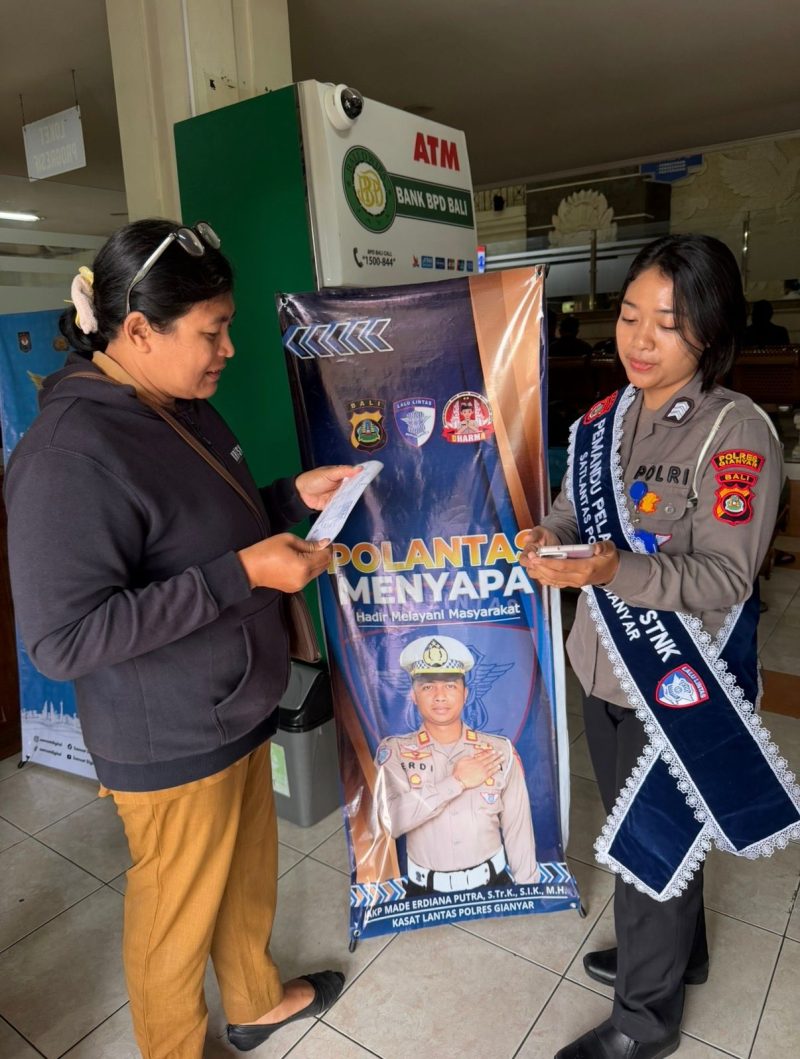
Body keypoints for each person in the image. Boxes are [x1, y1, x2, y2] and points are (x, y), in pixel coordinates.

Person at [3, 219, 357, 1058]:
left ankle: (255, 999)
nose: (228, 349)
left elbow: (197, 530)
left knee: (245, 872)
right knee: (175, 916)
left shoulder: (173, 405)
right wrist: (245, 575)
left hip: (235, 700)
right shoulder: (68, 454)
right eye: (212, 330)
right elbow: (63, 637)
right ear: (137, 331)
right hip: (167, 734)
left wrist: (286, 498)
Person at [521, 234, 794, 1059]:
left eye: (667, 324)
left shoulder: (736, 433)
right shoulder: (603, 420)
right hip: (600, 667)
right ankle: (683, 954)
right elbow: (569, 512)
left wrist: (616, 569)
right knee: (654, 826)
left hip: (678, 682)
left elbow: (727, 575)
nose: (639, 340)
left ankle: (644, 1022)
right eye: (630, 316)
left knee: (650, 843)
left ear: (710, 329)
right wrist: (548, 536)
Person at [373, 634, 539, 896]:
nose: (440, 696)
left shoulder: (499, 751)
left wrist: (528, 887)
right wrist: (456, 782)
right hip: (423, 891)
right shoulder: (394, 752)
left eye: (450, 686)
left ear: (466, 694)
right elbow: (390, 822)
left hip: (494, 884)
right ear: (413, 695)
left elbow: (518, 827)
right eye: (428, 687)